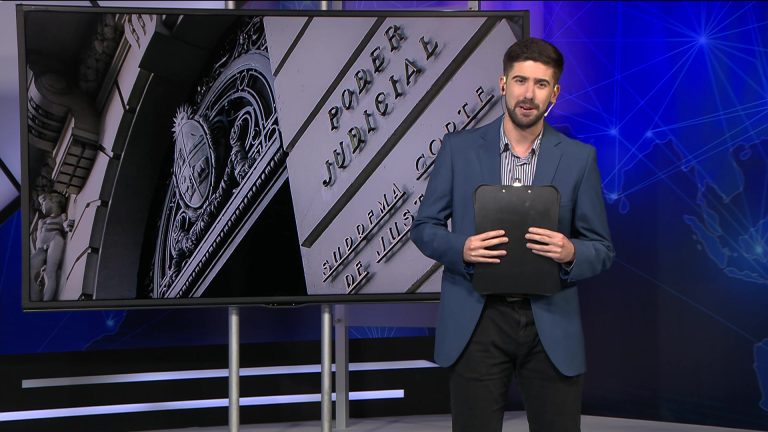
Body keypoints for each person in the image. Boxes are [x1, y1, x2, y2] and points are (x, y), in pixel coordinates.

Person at [410, 37, 614, 432]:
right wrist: (462, 248)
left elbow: (602, 249)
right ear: (503, 84)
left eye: (541, 84)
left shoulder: (578, 159)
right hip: (477, 319)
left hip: (549, 322)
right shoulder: (458, 149)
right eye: (520, 81)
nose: (528, 94)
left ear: (554, 93)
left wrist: (571, 251)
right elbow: (424, 228)